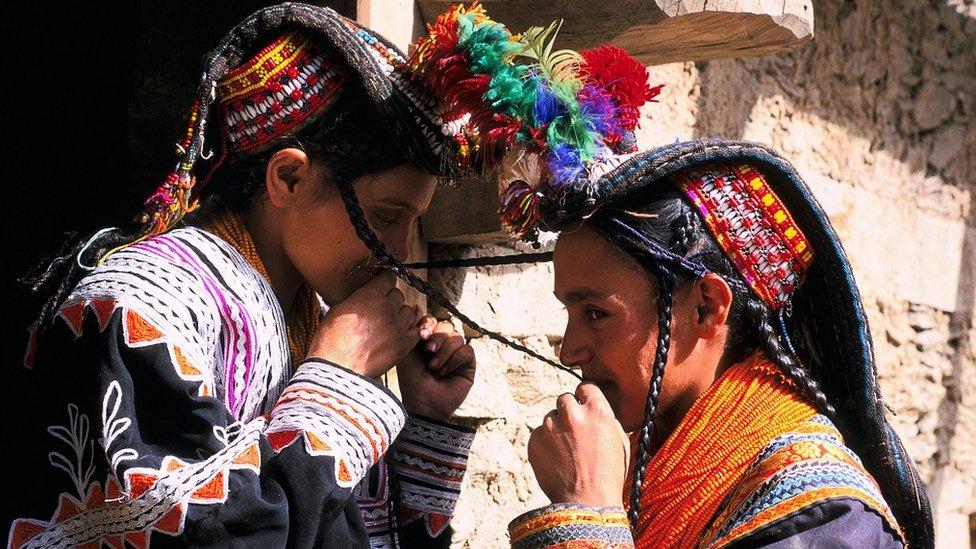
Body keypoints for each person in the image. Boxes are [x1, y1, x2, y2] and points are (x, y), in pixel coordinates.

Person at [5, 3, 483, 548]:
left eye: (412, 221)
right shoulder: (141, 305)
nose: (398, 251)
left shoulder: (321, 321)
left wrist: (419, 415)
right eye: (385, 216)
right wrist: (336, 382)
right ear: (289, 178)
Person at [500, 139, 935, 548]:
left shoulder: (827, 520)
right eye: (569, 314)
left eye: (596, 314)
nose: (569, 350)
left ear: (706, 309)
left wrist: (586, 512)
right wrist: (432, 429)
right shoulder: (640, 465)